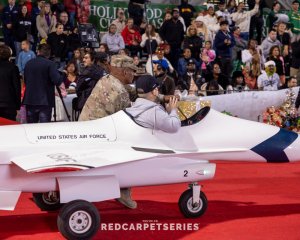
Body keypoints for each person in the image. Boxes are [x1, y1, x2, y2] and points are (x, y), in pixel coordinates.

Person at [78, 55, 140, 209]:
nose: (134, 75)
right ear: (125, 72)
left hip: (86, 131)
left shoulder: (106, 80)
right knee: (132, 154)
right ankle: (123, 193)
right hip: (98, 138)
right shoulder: (120, 93)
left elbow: (129, 90)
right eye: (133, 72)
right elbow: (128, 122)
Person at [23, 44, 63, 123]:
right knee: (43, 130)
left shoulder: (28, 63)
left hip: (30, 100)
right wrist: (62, 74)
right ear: (49, 53)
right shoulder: (50, 64)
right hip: (45, 101)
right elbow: (57, 81)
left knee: (31, 129)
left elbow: (26, 80)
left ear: (38, 52)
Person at [0, 45, 21, 121]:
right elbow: (17, 87)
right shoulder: (13, 67)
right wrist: (18, 106)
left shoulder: (13, 67)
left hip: (8, 104)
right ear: (9, 54)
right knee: (10, 128)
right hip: (9, 104)